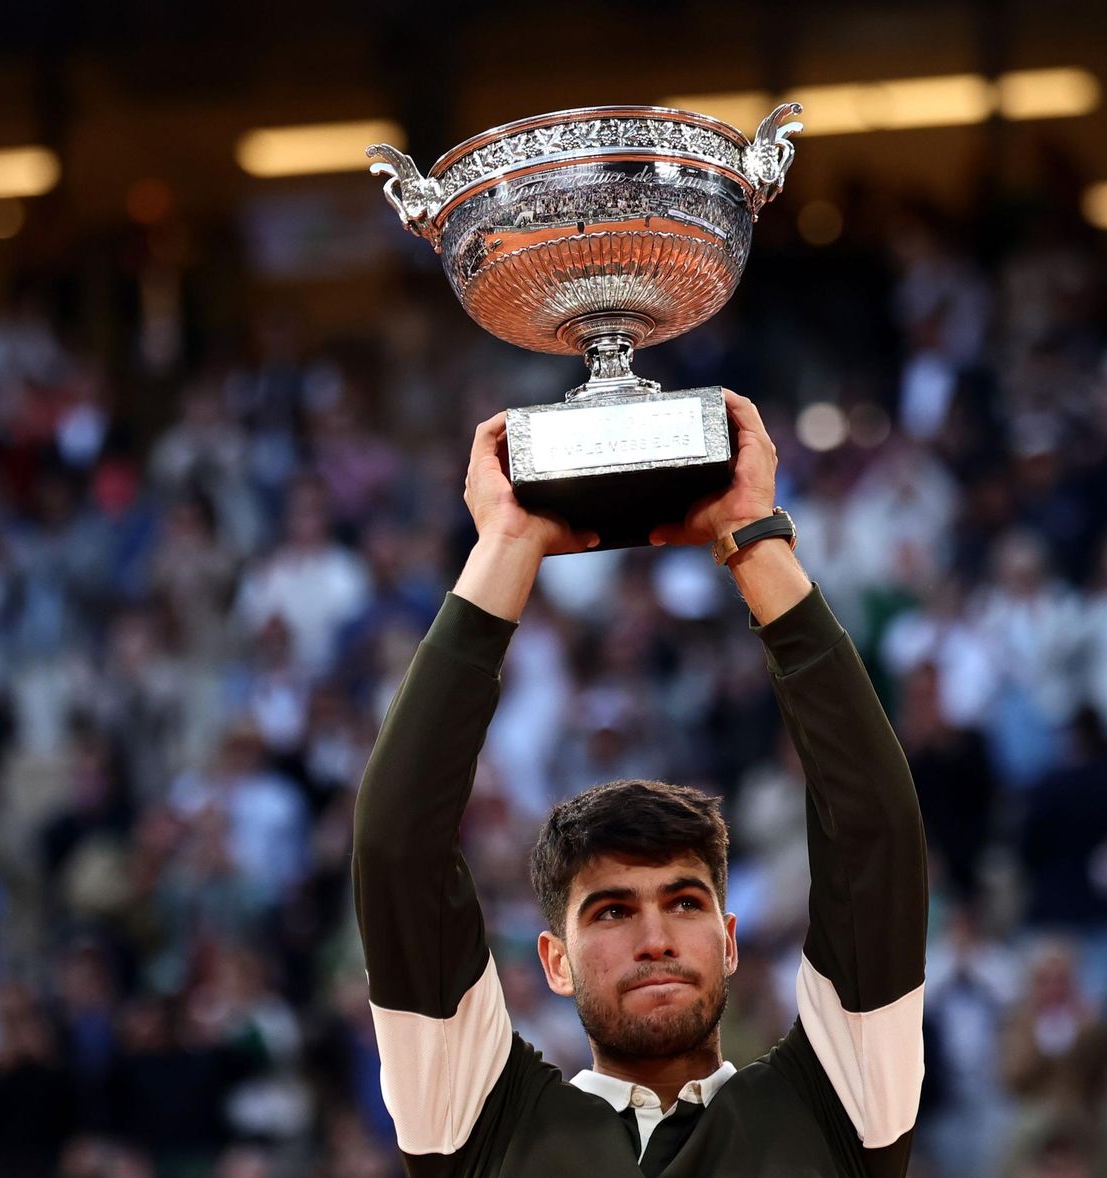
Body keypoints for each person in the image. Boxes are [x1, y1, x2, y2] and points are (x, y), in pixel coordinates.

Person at [352, 392, 928, 1175]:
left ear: (729, 940)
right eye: (613, 910)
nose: (656, 939)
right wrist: (507, 546)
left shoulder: (841, 1101)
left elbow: (875, 833)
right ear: (556, 961)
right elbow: (397, 848)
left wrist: (753, 539)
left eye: (685, 902)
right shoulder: (477, 1120)